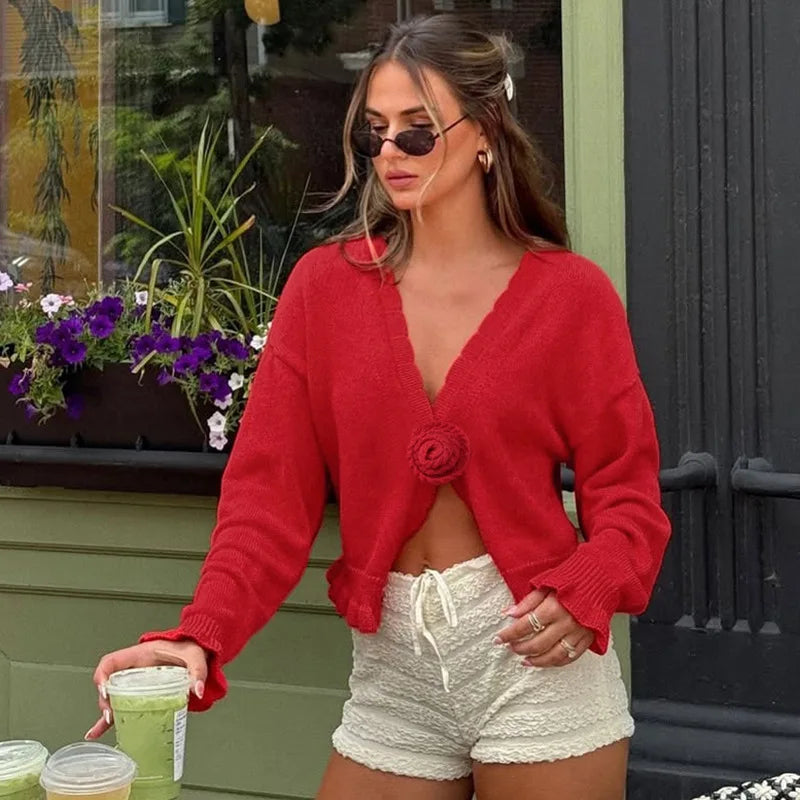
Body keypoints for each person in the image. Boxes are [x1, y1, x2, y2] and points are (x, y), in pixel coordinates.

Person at [86, 14, 671, 800]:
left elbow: (628, 497)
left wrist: (589, 582)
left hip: (532, 662)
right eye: (373, 135)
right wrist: (201, 633)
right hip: (394, 673)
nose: (389, 154)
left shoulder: (570, 297)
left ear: (486, 131)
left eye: (418, 133)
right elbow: (267, 500)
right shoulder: (322, 291)